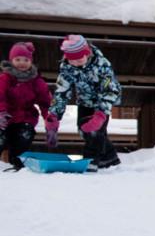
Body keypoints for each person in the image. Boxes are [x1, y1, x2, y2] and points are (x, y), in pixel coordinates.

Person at [48, 34, 123, 170]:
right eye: (72, 59)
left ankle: (91, 161)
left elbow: (110, 90)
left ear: (87, 53)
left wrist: (101, 114)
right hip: (85, 102)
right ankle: (110, 158)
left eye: (79, 58)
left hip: (103, 102)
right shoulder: (67, 69)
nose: (76, 62)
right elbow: (62, 92)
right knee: (84, 129)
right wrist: (53, 116)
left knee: (94, 130)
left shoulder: (102, 65)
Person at [0, 42, 57, 171]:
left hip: (25, 118)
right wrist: (1, 112)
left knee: (23, 138)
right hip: (4, 118)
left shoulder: (36, 81)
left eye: (26, 60)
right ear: (11, 60)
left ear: (31, 61)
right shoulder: (5, 78)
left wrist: (50, 123)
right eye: (18, 59)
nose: (22, 63)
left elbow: (45, 103)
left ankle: (18, 166)